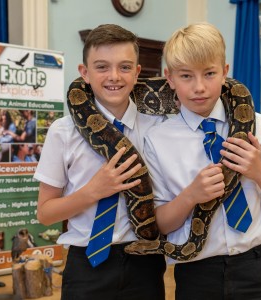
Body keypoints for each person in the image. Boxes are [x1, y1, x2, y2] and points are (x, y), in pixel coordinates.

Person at [143, 23, 261, 300]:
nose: (199, 87)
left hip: (258, 269)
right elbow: (159, 225)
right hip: (196, 276)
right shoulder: (157, 139)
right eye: (186, 76)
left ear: (225, 73)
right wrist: (191, 195)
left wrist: (259, 172)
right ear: (170, 78)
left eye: (210, 73)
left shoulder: (256, 124)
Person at [34, 24, 166, 300]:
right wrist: (94, 191)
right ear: (84, 73)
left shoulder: (160, 128)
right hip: (85, 265)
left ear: (138, 73)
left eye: (125, 67)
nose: (114, 77)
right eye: (102, 67)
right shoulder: (62, 131)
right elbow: (45, 214)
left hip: (144, 261)